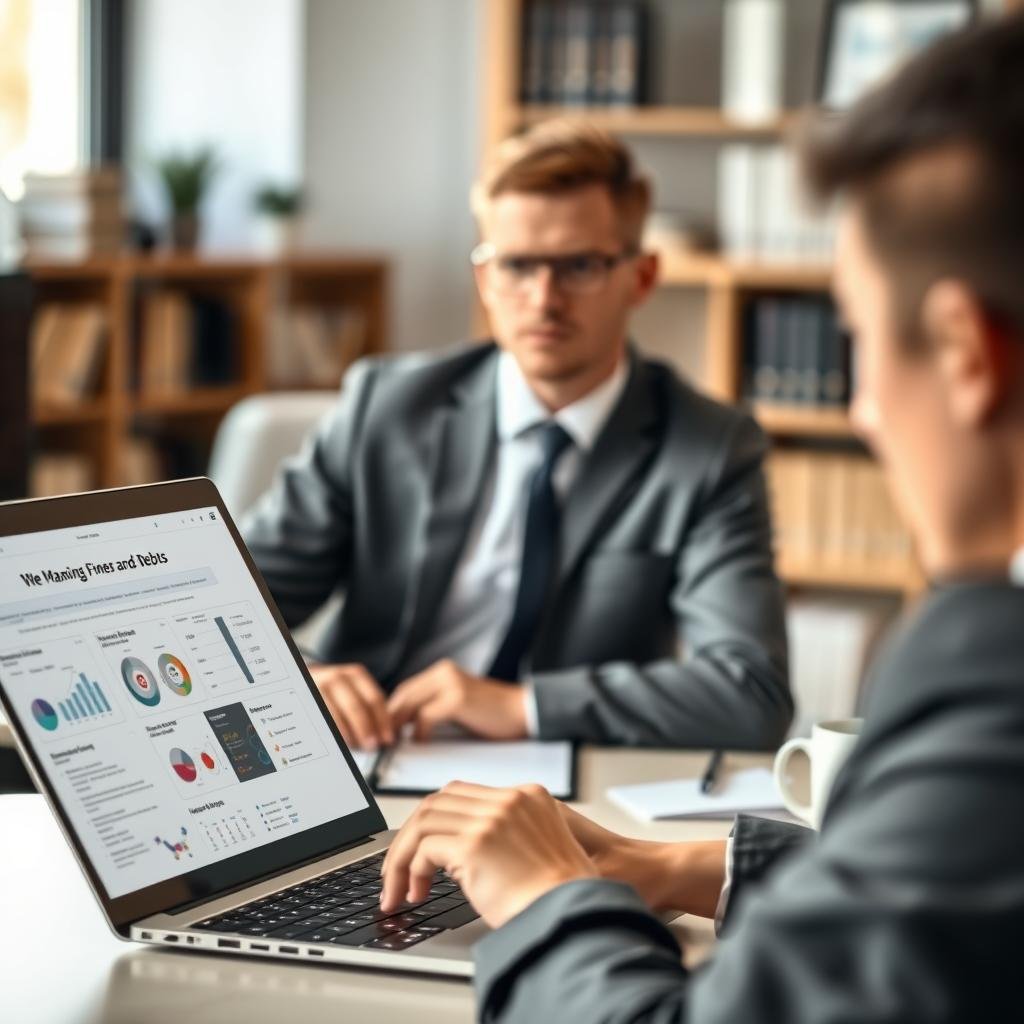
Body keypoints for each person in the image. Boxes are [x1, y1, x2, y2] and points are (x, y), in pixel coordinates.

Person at [379, 14, 1024, 1021]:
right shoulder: (387, 405)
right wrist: (680, 864)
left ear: (962, 356)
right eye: (514, 265)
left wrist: (553, 898)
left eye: (854, 339)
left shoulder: (991, 671)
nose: (859, 410)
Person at [243, 121, 790, 753]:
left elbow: (752, 693)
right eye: (517, 265)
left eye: (579, 266)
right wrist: (305, 680)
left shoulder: (709, 450)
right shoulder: (386, 408)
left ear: (640, 277)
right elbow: (231, 610)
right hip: (369, 760)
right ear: (484, 279)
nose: (543, 299)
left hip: (562, 792)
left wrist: (522, 706)